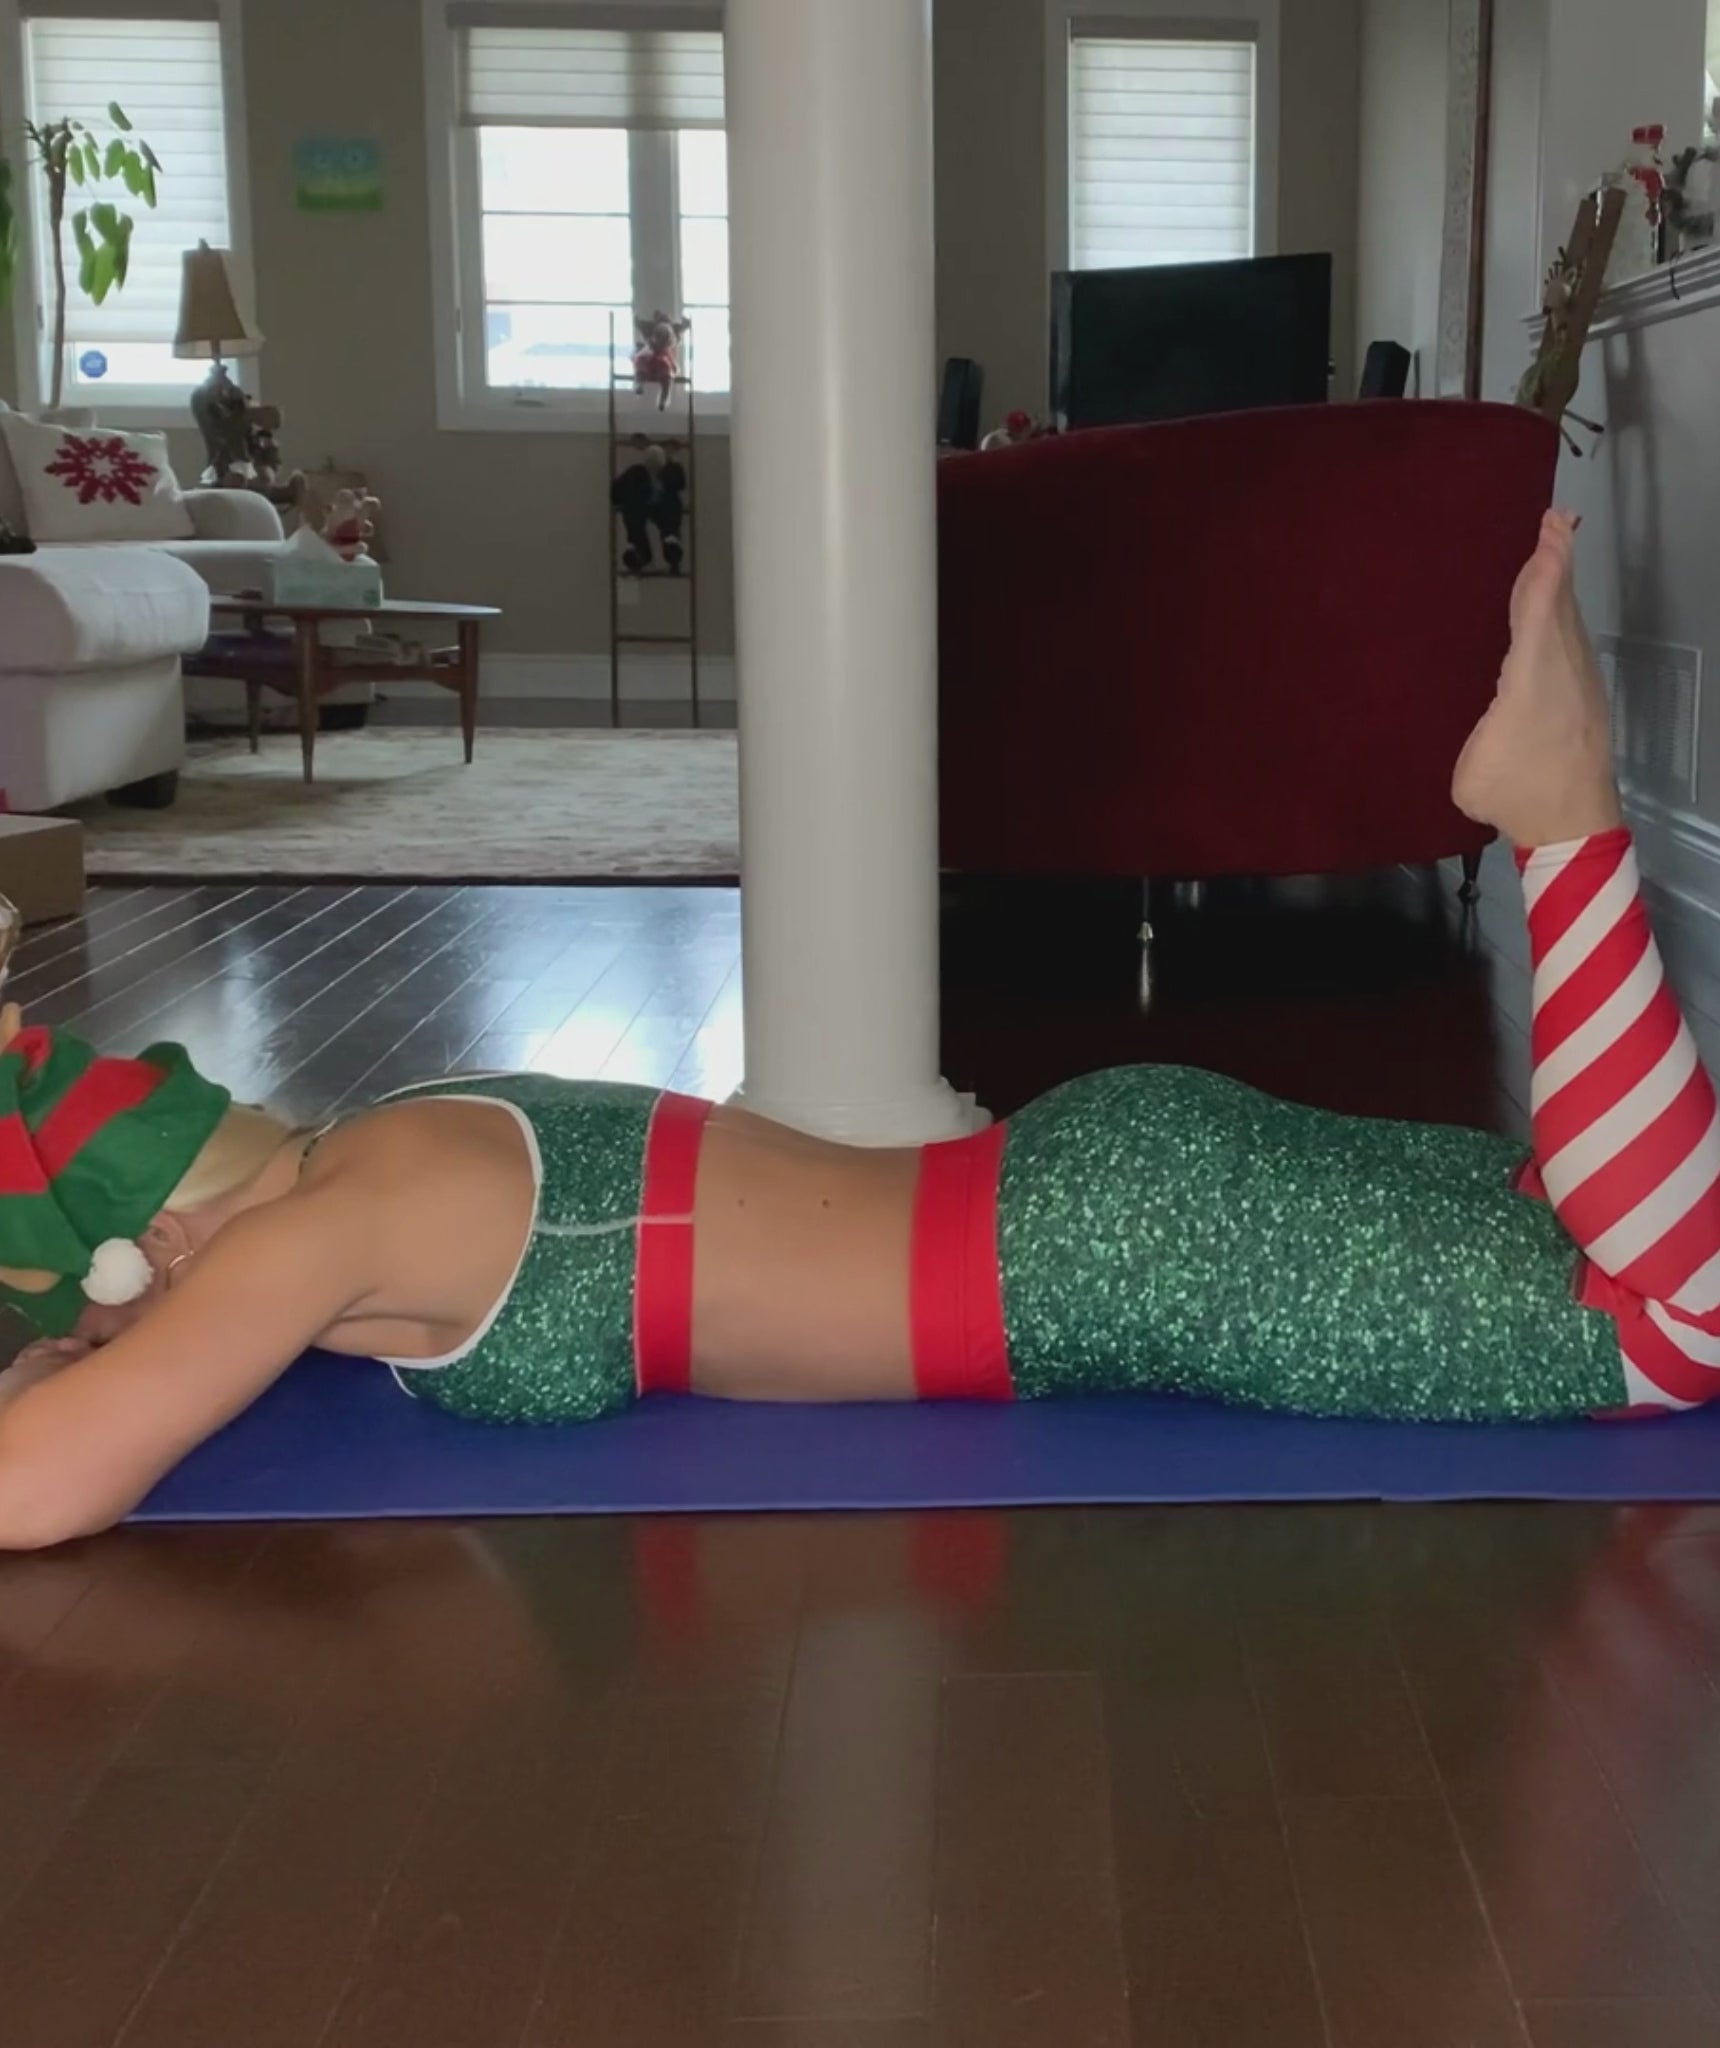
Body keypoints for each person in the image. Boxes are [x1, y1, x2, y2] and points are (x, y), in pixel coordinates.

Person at [0, 512, 1715, 1551]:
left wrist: (125, 1347)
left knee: (1673, 1330)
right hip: (1094, 1201)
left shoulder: (321, 1236)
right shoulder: (393, 1132)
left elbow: (40, 1490)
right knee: (1575, 1227)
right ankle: (1562, 834)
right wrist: (127, 1324)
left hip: (1124, 1251)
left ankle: (1564, 818)